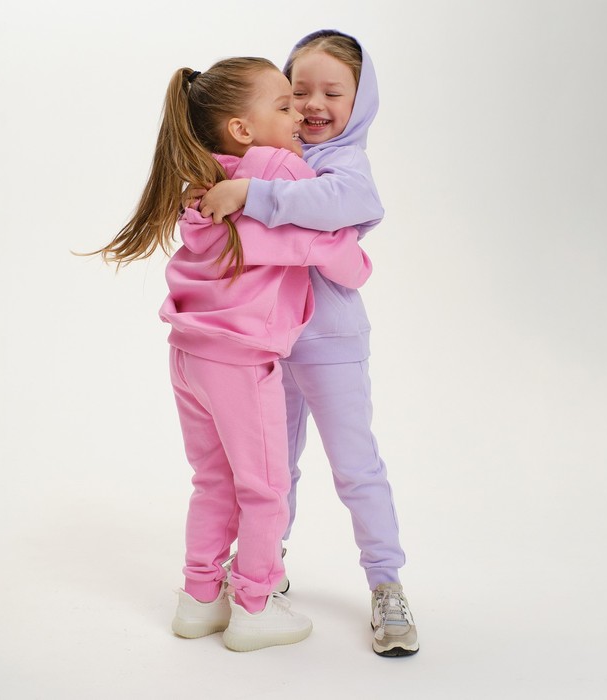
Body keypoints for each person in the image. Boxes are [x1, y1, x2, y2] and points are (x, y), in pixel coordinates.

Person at [94, 57, 372, 652]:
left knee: (213, 481)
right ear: (243, 129)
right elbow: (336, 232)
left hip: (188, 354)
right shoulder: (279, 166)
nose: (298, 115)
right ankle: (255, 605)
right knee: (265, 486)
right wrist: (350, 256)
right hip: (239, 360)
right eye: (284, 105)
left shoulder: (201, 179)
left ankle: (199, 599)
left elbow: (253, 241)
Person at [196, 30, 419, 657]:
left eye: (334, 93)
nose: (314, 105)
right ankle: (265, 574)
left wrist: (253, 195)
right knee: (273, 468)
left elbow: (344, 203)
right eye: (299, 92)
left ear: (361, 102)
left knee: (356, 467)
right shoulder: (266, 152)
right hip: (266, 343)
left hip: (329, 340)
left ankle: (386, 584)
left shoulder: (345, 163)